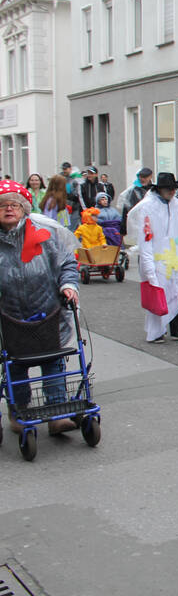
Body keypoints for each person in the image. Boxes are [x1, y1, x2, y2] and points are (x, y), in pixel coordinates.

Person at [0, 179, 80, 435]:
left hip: (48, 310)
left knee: (53, 360)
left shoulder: (45, 233)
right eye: (2, 205)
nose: (9, 209)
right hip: (8, 316)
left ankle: (57, 415)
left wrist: (69, 285)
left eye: (14, 204)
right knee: (16, 365)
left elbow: (68, 263)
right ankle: (19, 412)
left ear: (24, 208)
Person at [126, 172, 178, 343]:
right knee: (158, 291)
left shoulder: (177, 205)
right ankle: (156, 330)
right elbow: (145, 236)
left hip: (172, 255)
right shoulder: (148, 206)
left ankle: (177, 328)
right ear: (160, 189)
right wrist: (148, 263)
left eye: (173, 189)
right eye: (167, 189)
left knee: (176, 291)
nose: (171, 192)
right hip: (155, 255)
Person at [118, 167, 153, 236]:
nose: (142, 179)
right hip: (138, 224)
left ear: (150, 177)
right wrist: (123, 229)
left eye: (145, 177)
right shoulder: (133, 191)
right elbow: (127, 209)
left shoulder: (154, 190)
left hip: (153, 224)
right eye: (141, 177)